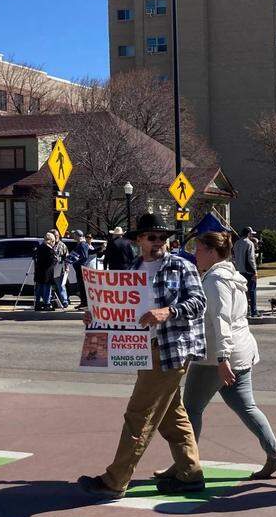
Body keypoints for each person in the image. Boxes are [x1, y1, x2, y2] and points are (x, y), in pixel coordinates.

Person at [78, 213, 209, 498]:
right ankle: (190, 474)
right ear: (139, 240)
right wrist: (96, 316)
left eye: (163, 237)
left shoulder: (180, 266)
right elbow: (119, 311)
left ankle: (116, 480)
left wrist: (168, 311)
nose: (159, 242)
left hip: (170, 349)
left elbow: (199, 302)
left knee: (139, 414)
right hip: (142, 350)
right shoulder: (132, 271)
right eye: (152, 237)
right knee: (172, 416)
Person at [183, 232, 276, 479]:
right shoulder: (233, 276)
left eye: (198, 249)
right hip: (240, 352)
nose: (195, 255)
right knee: (246, 407)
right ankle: (274, 455)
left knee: (190, 410)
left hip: (217, 357)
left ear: (212, 252)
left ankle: (186, 465)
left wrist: (222, 358)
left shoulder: (215, 280)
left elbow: (222, 320)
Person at [233, 227, 258, 318]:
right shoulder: (249, 243)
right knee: (252, 291)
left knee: (242, 292)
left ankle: (244, 310)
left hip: (238, 270)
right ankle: (254, 311)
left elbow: (234, 256)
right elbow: (251, 259)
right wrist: (255, 271)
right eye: (251, 234)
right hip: (248, 270)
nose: (252, 235)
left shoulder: (236, 243)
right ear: (248, 234)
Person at [33, 233, 61, 312]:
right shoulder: (49, 250)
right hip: (47, 272)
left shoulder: (39, 248)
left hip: (39, 271)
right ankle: (47, 304)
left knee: (39, 288)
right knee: (47, 288)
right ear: (51, 241)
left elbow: (35, 258)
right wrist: (56, 259)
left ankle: (37, 304)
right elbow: (51, 262)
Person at [68, 230, 91, 308]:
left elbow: (84, 256)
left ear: (77, 236)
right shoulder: (83, 244)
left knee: (82, 286)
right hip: (80, 268)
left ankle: (84, 303)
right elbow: (89, 252)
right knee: (81, 286)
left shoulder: (82, 244)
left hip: (81, 268)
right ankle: (84, 302)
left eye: (74, 235)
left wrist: (75, 260)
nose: (73, 236)